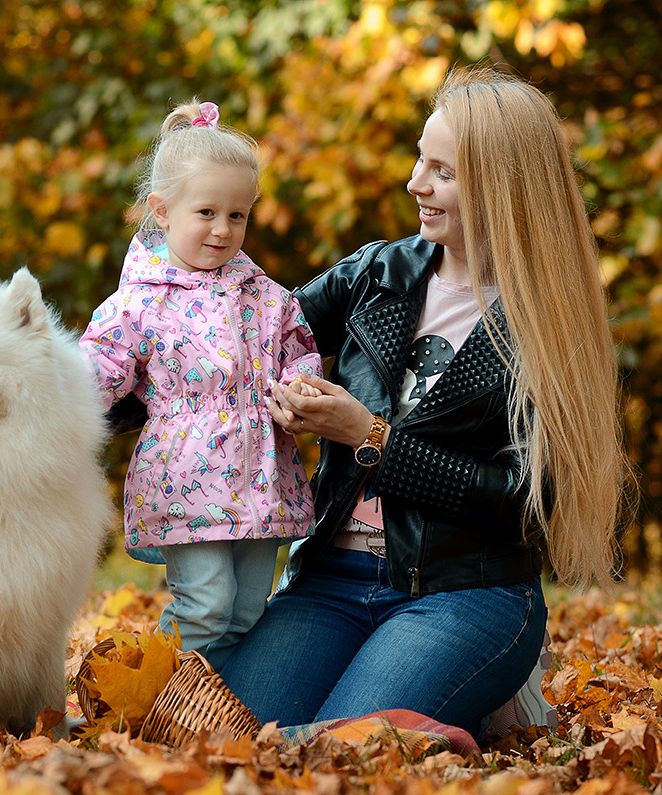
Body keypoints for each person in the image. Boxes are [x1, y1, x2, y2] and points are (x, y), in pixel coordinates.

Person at [218, 66, 629, 740]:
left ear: (500, 188)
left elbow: (526, 502)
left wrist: (370, 435)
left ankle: (439, 723)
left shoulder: (550, 323)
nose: (415, 183)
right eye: (420, 160)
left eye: (442, 171)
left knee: (341, 755)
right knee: (225, 740)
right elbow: (246, 343)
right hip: (330, 578)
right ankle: (432, 728)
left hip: (465, 594)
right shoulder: (377, 274)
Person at [80, 99, 322, 670]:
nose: (222, 229)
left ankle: (213, 700)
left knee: (247, 611)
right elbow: (96, 369)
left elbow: (299, 351)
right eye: (207, 212)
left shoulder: (266, 295)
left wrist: (301, 385)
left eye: (238, 215)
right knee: (206, 606)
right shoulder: (138, 302)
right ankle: (153, 694)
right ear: (162, 211)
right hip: (186, 476)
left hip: (262, 475)